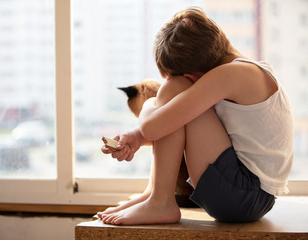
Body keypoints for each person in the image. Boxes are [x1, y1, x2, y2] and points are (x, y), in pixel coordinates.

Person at [98, 7, 294, 225]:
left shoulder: (232, 75)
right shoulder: (244, 70)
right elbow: (170, 129)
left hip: (242, 193)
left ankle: (161, 201)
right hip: (250, 196)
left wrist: (151, 103)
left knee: (174, 88)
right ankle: (154, 194)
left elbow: (153, 126)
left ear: (192, 75)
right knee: (174, 104)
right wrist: (136, 137)